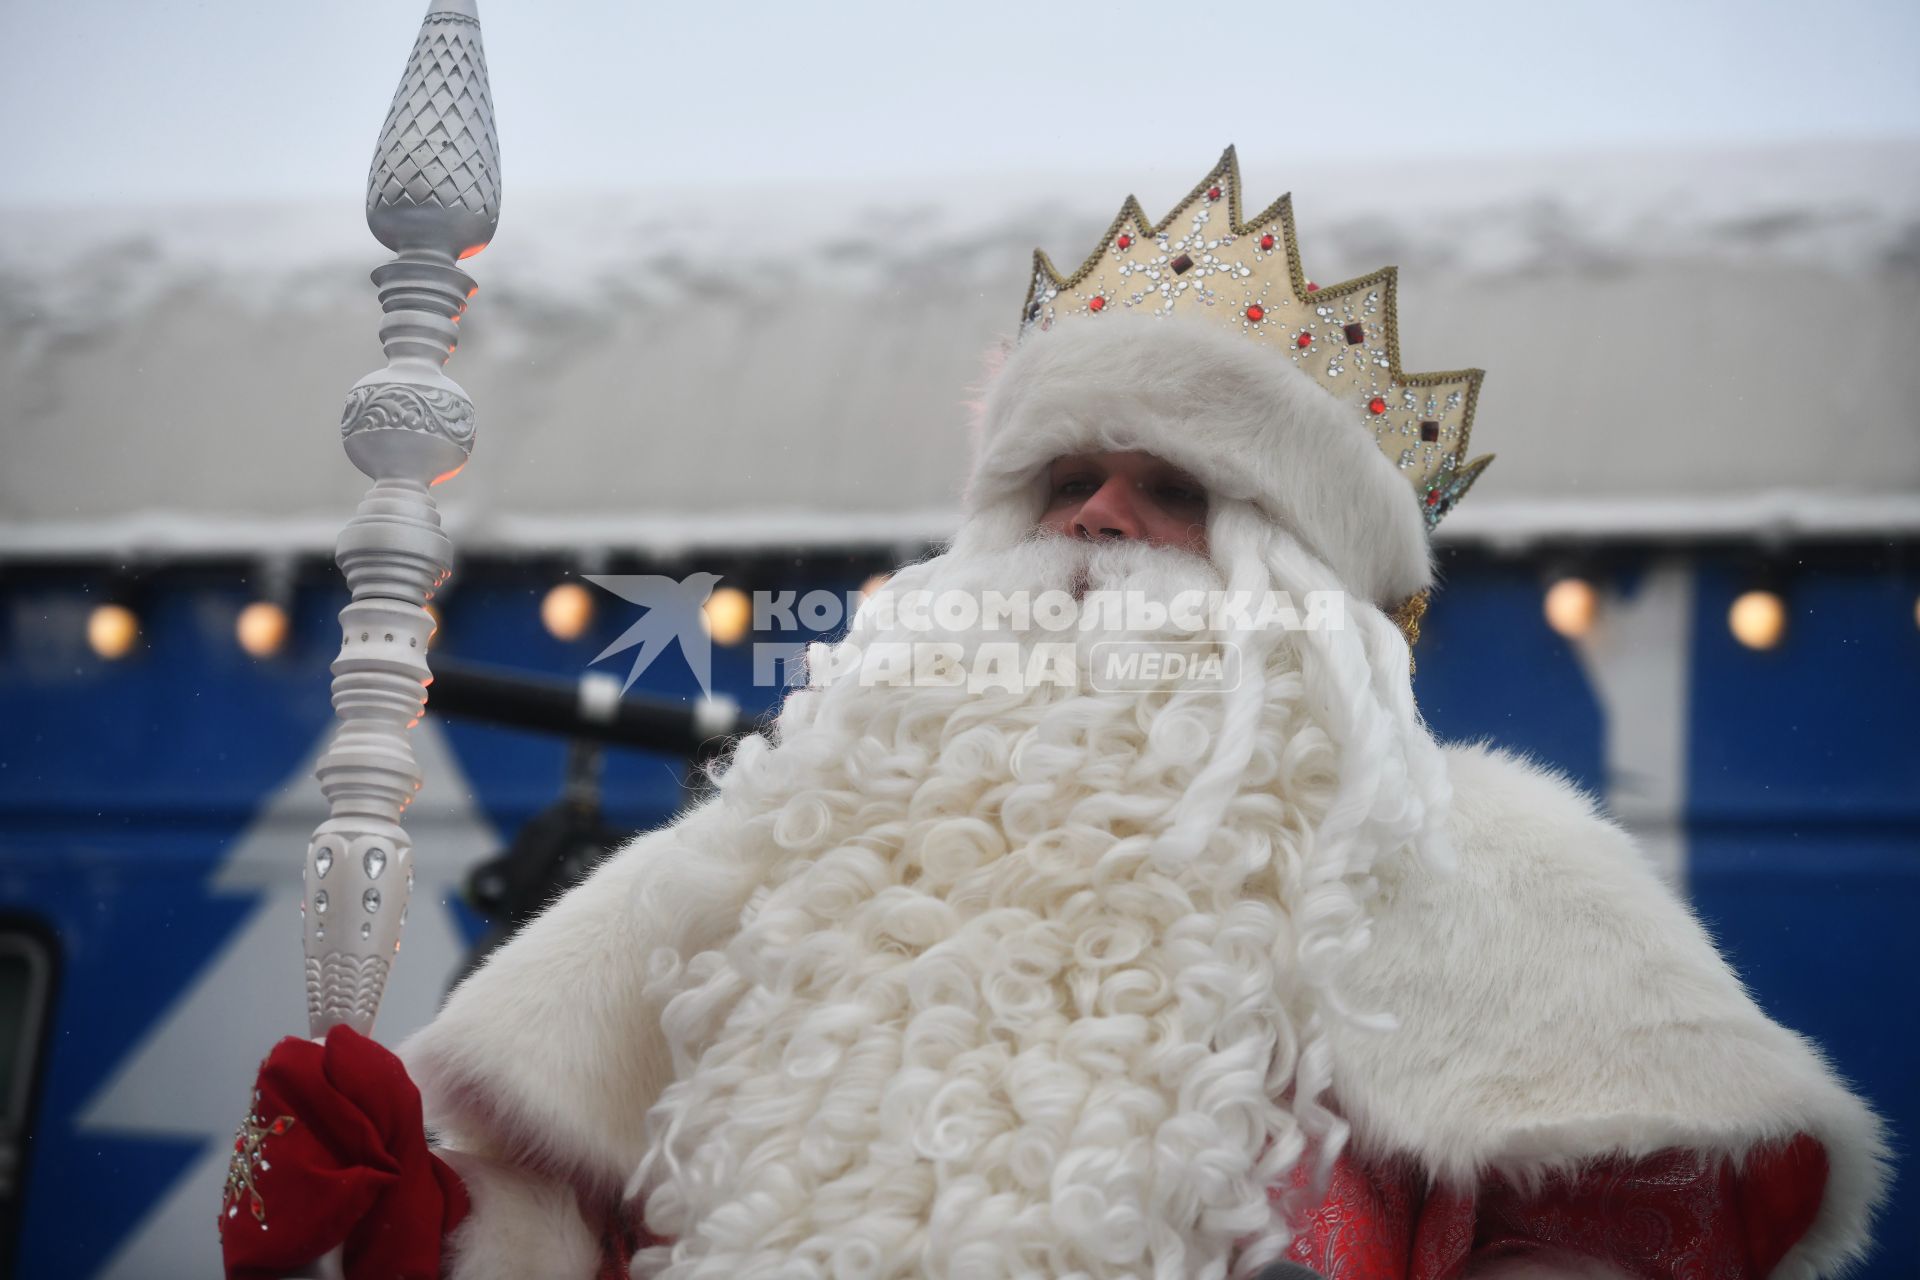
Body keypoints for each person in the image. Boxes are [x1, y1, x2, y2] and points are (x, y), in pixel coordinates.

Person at [222, 153, 1888, 1280]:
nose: (1096, 519)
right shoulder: (763, 863)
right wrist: (402, 1215)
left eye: (1171, 486)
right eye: (1061, 478)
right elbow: (540, 1221)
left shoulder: (1483, 875)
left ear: (1302, 577)